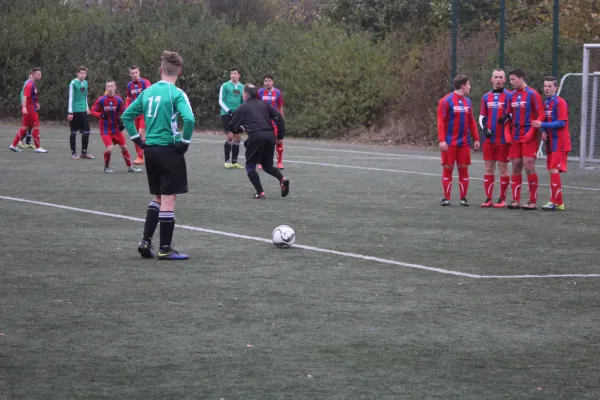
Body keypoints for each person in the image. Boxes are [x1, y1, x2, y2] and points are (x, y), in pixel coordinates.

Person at [122, 50, 195, 261]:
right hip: (168, 150)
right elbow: (189, 120)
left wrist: (137, 139)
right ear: (179, 72)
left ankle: (145, 241)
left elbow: (127, 116)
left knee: (158, 197)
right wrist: (185, 142)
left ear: (160, 70)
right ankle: (165, 248)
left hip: (150, 151)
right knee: (169, 199)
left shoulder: (147, 91)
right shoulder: (177, 94)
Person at [229, 84, 290, 199]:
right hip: (270, 136)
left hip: (256, 136)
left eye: (243, 93)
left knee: (250, 166)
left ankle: (260, 192)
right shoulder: (265, 105)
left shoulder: (243, 107)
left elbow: (232, 126)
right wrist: (280, 136)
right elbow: (279, 119)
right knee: (267, 165)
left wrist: (239, 129)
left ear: (246, 94)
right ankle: (282, 179)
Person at [503, 67, 545, 210]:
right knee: (515, 165)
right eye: (510, 79)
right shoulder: (511, 96)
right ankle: (515, 200)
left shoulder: (533, 94)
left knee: (528, 166)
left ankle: (532, 201)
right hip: (515, 136)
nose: (511, 82)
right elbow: (507, 116)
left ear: (521, 78)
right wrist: (507, 133)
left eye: (513, 79)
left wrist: (532, 131)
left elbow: (541, 115)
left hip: (529, 137)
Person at [437, 75, 481, 206]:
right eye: (468, 85)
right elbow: (441, 121)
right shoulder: (446, 101)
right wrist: (442, 140)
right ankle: (446, 198)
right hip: (449, 143)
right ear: (463, 86)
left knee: (463, 169)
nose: (470, 87)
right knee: (448, 169)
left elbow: (472, 122)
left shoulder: (468, 102)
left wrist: (476, 138)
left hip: (464, 143)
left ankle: (463, 198)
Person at [532, 76, 571, 211]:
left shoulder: (560, 102)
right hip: (551, 142)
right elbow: (545, 119)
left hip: (559, 142)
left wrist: (542, 124)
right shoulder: (546, 102)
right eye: (545, 86)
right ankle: (559, 202)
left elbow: (562, 122)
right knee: (552, 170)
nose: (547, 89)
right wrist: (543, 130)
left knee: (554, 170)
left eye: (550, 86)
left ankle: (554, 201)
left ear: (556, 87)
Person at [90, 80, 142, 174]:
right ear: (106, 88)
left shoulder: (118, 100)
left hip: (116, 129)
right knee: (109, 148)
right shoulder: (101, 99)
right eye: (108, 87)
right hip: (105, 129)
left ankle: (130, 167)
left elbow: (124, 112)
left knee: (125, 148)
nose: (110, 88)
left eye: (111, 86)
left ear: (115, 87)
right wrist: (101, 115)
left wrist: (123, 122)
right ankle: (106, 167)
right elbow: (93, 110)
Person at [479, 69, 512, 208]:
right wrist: (484, 129)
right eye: (496, 77)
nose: (498, 80)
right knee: (488, 169)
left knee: (503, 169)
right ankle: (488, 198)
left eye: (501, 77)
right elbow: (481, 117)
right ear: (491, 79)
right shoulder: (486, 97)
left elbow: (513, 113)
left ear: (504, 80)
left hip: (503, 139)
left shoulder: (510, 96)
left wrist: (507, 116)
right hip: (489, 140)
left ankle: (502, 198)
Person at [10, 67, 48, 153]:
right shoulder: (29, 84)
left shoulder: (32, 84)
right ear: (33, 75)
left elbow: (31, 97)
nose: (40, 76)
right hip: (30, 109)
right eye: (38, 74)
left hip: (30, 107)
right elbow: (25, 96)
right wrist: (24, 108)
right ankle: (38, 147)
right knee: (36, 126)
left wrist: (36, 103)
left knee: (25, 128)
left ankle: (13, 145)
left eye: (40, 74)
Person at [257, 74, 285, 169]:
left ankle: (280, 162)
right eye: (265, 81)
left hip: (274, 121)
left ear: (272, 82)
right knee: (262, 142)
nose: (267, 82)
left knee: (278, 141)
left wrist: (282, 120)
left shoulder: (278, 93)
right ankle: (260, 162)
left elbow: (280, 107)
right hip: (262, 121)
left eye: (269, 80)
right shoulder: (259, 92)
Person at [126, 65, 152, 165]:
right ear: (130, 74)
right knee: (135, 135)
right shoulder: (129, 85)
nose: (134, 75)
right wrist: (127, 110)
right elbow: (128, 99)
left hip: (144, 112)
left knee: (141, 133)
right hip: (134, 113)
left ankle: (140, 156)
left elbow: (150, 95)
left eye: (136, 72)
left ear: (139, 72)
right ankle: (140, 155)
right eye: (132, 73)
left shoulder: (145, 82)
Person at [219, 67, 244, 168]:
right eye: (231, 73)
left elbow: (243, 101)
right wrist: (228, 111)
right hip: (226, 114)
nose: (233, 75)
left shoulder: (242, 87)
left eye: (235, 73)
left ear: (239, 75)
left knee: (237, 137)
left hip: (237, 115)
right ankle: (227, 161)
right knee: (230, 136)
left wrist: (242, 112)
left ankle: (234, 162)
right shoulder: (225, 86)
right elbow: (220, 100)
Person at [67, 66, 94, 159]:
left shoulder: (86, 83)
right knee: (73, 132)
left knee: (86, 131)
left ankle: (84, 152)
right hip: (75, 111)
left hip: (83, 111)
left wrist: (87, 107)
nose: (83, 75)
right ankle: (73, 153)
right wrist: (70, 112)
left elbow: (85, 97)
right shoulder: (73, 83)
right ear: (77, 73)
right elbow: (71, 98)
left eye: (84, 73)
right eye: (81, 73)